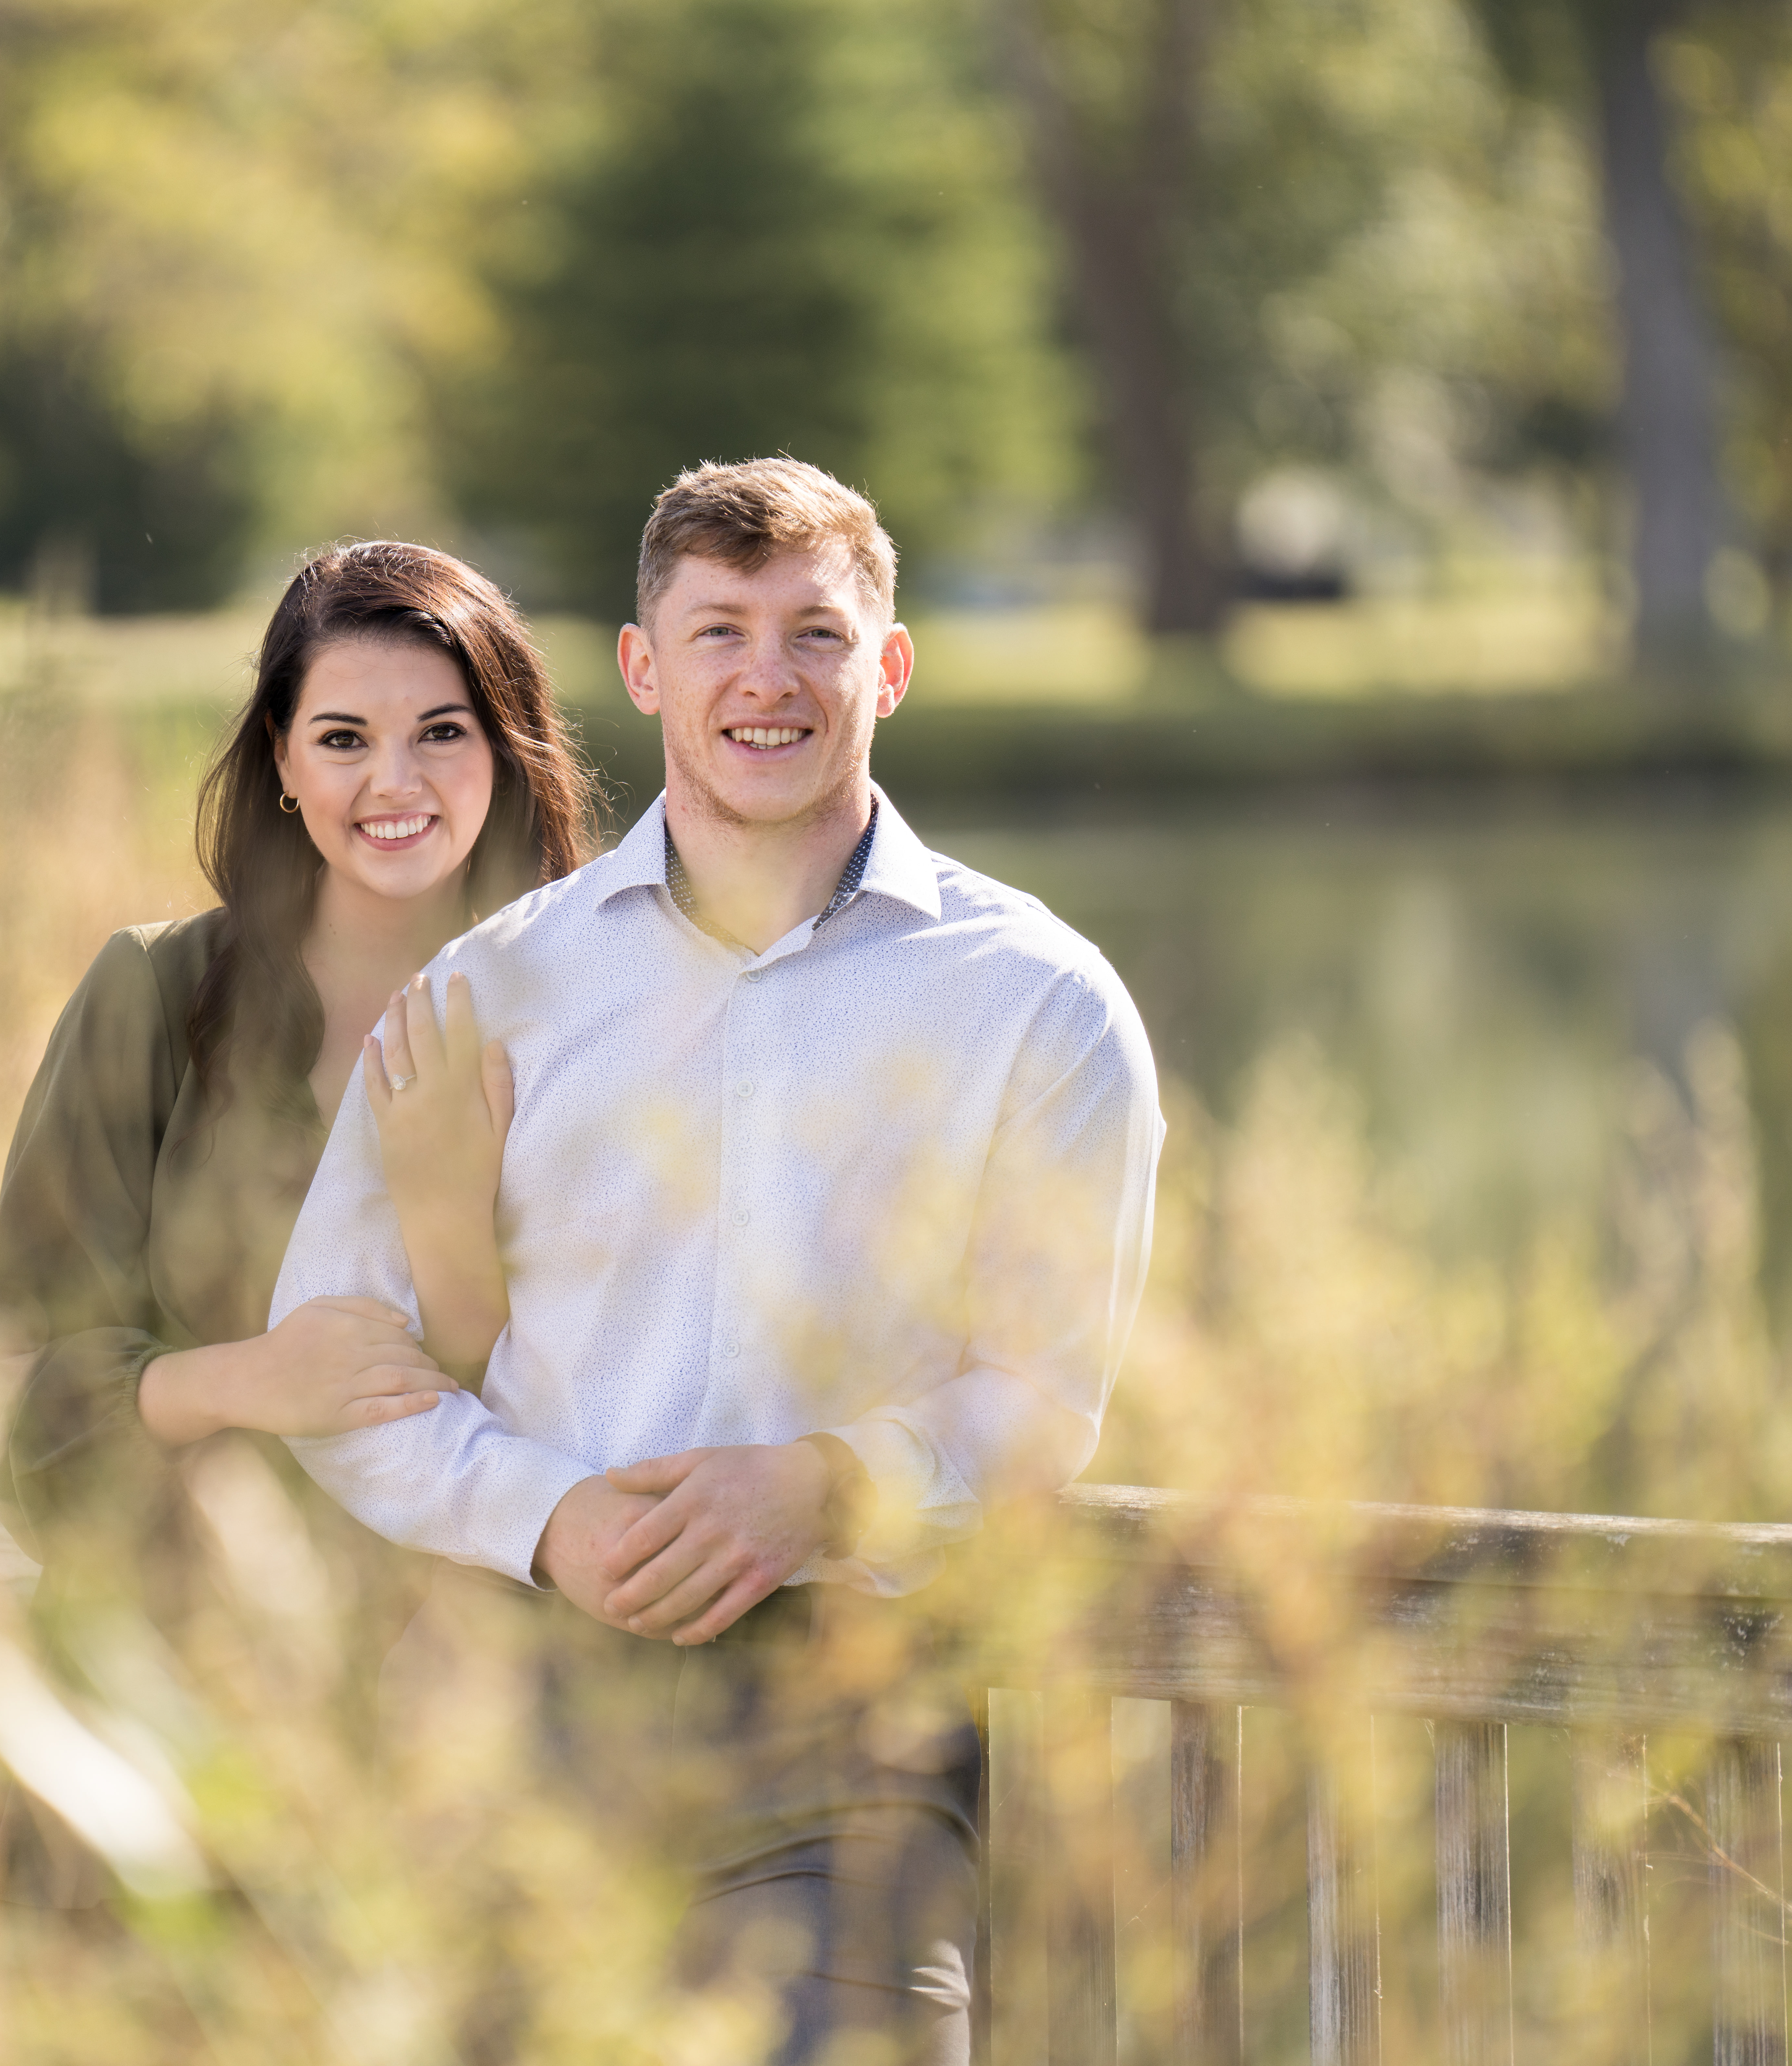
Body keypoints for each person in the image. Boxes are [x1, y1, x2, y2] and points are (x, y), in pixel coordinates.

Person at [271, 460, 1164, 2061]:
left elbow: (1045, 1392)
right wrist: (540, 1519)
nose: (768, 678)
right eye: (720, 631)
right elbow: (334, 1357)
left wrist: (825, 1486)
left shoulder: (1040, 1001)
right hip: (523, 1726)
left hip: (858, 1742)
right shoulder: (497, 987)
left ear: (887, 668)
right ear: (644, 667)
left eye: (816, 634)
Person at [0, 539, 598, 1899]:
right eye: (344, 737)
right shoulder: (157, 998)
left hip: (465, 1754)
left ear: (512, 751)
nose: (395, 782)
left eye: (442, 732)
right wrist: (253, 1381)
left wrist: (442, 1221)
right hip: (147, 1718)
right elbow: (24, 1377)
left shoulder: (594, 1025)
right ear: (284, 766)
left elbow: (607, 1401)